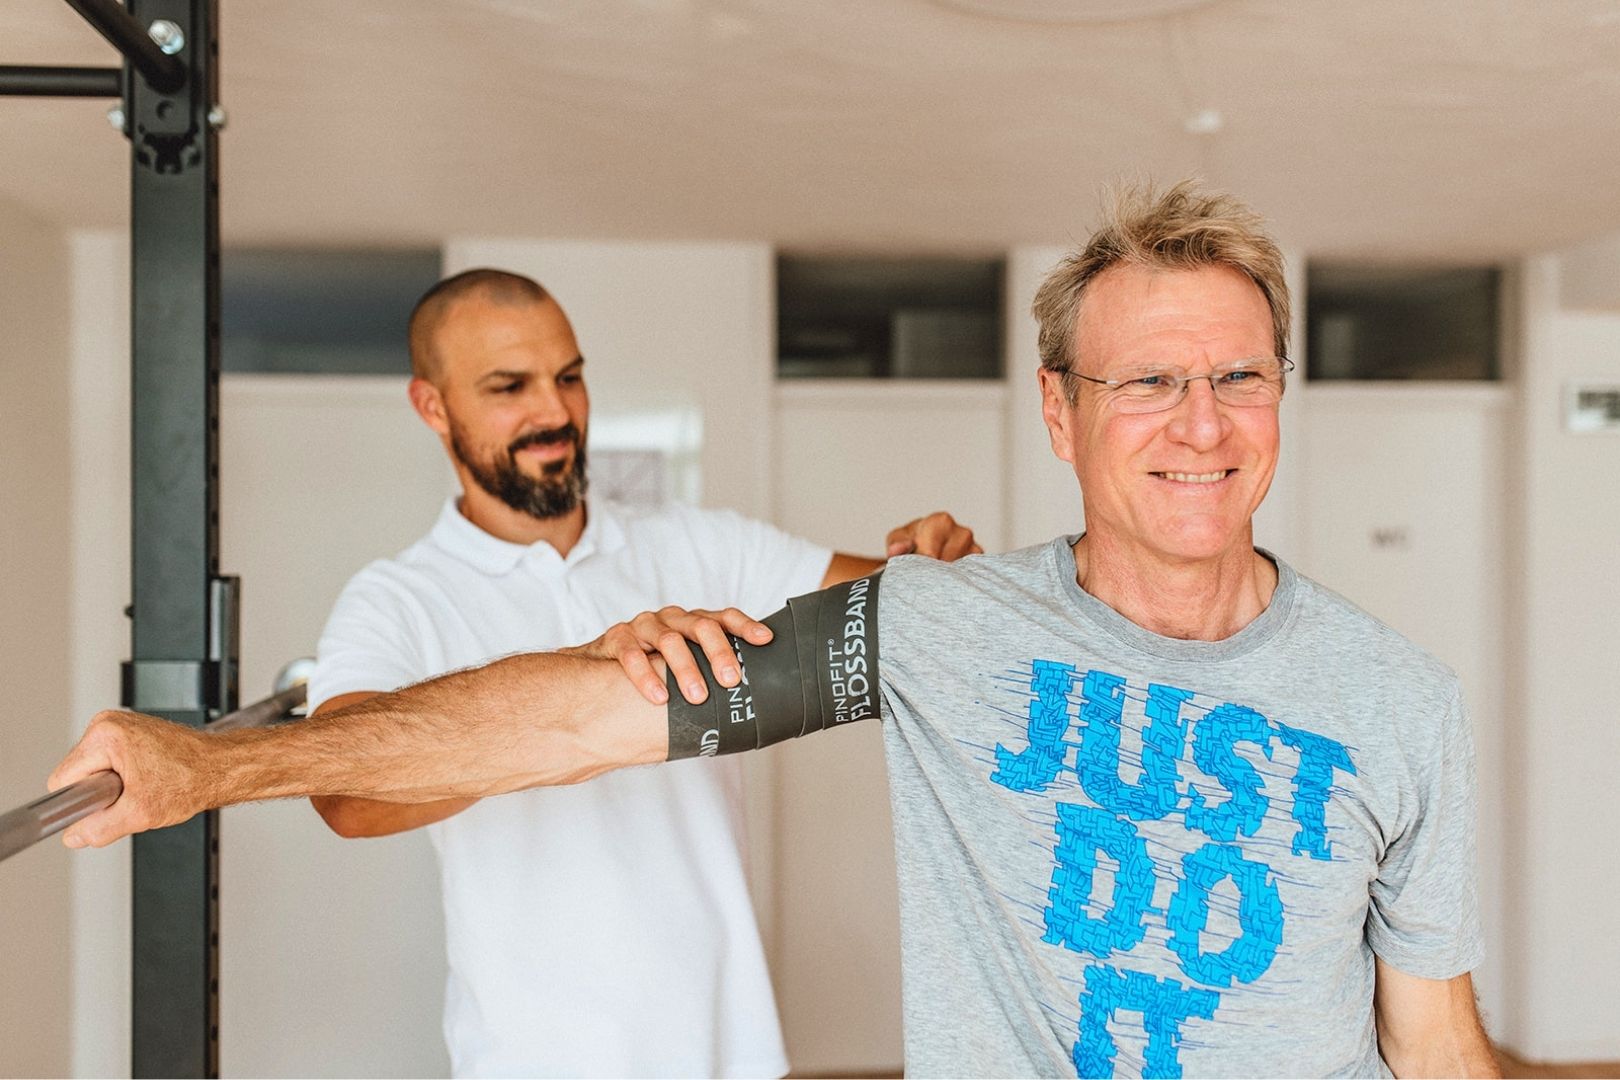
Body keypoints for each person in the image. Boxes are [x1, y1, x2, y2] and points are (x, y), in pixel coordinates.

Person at [52, 184, 1498, 1078]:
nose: (1199, 423)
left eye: (1237, 373)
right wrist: (207, 766)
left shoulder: (1404, 701)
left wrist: (913, 560)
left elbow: (1435, 1042)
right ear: (1057, 413)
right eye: (1145, 384)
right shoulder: (937, 636)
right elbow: (558, 719)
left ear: (1281, 398)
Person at [281, 268, 981, 1078]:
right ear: (432, 406)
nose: (554, 412)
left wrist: (943, 572)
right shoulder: (397, 599)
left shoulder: (698, 545)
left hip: (735, 1052)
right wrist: (572, 718)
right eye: (511, 386)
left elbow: (910, 621)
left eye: (569, 377)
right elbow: (346, 795)